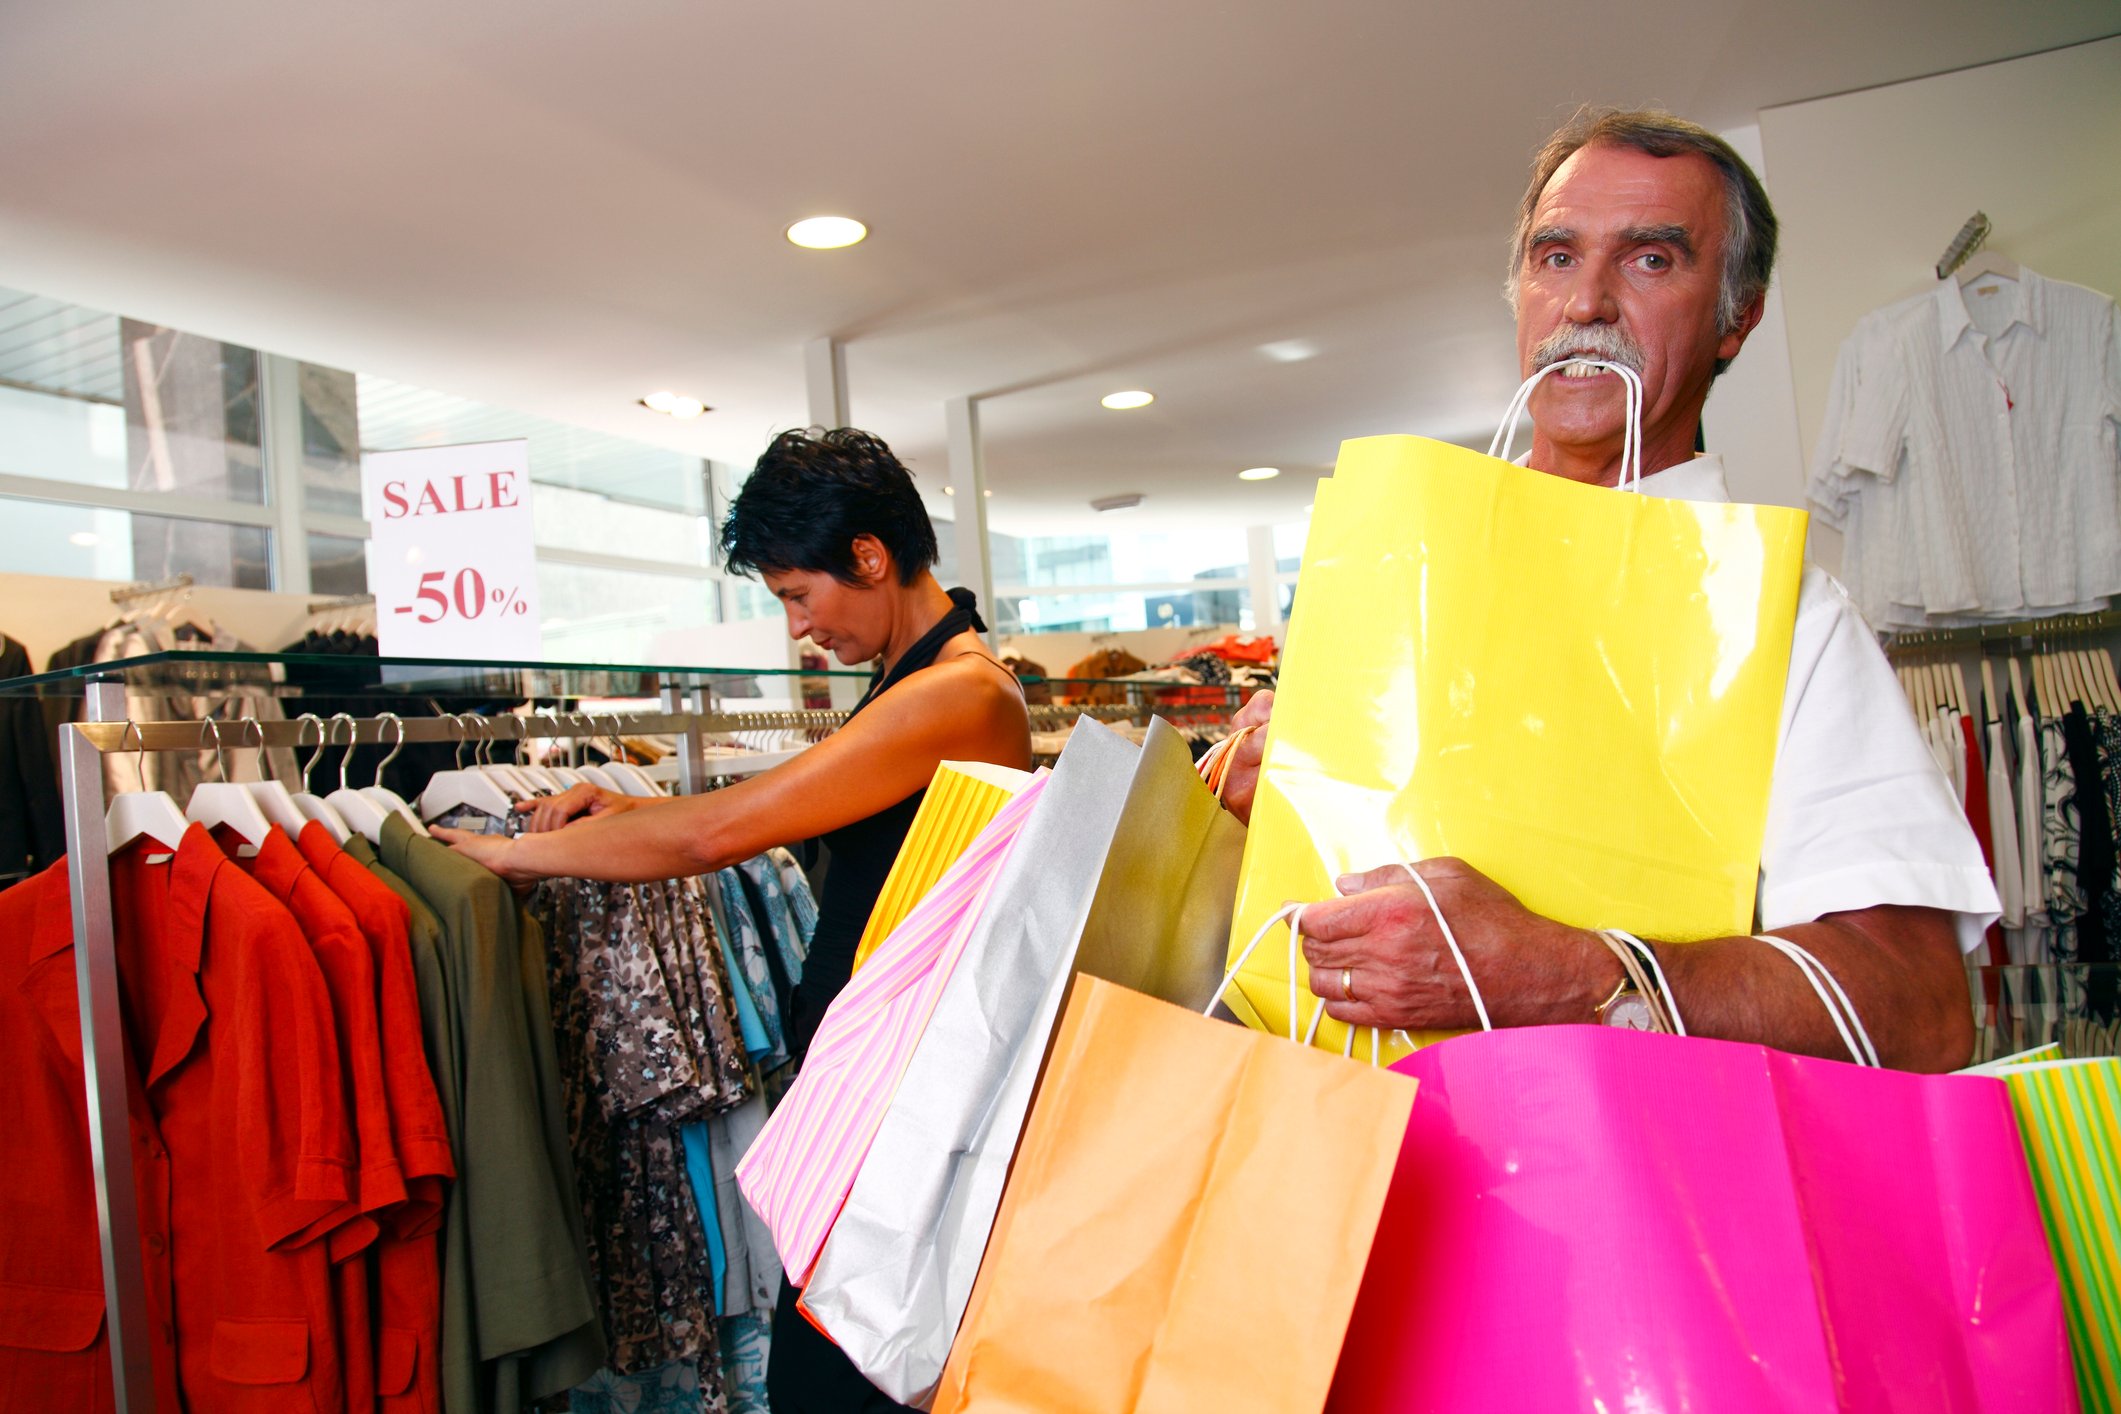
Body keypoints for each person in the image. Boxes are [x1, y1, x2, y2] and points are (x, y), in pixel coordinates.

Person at [1218, 109, 1996, 1073]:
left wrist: (1570, 975)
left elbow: (1917, 1016)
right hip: (1335, 1163)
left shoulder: (1783, 622)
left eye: (1651, 261)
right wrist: (1252, 808)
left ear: (1737, 317)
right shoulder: (1395, 575)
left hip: (1610, 1195)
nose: (1584, 302)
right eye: (1554, 257)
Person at [437, 426, 1030, 1413]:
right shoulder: (916, 681)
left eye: (800, 593)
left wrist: (513, 853)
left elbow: (719, 835)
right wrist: (628, 808)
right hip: (875, 1096)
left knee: (837, 1383)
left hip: (901, 1108)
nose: (800, 626)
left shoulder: (961, 693)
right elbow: (777, 802)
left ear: (871, 556)